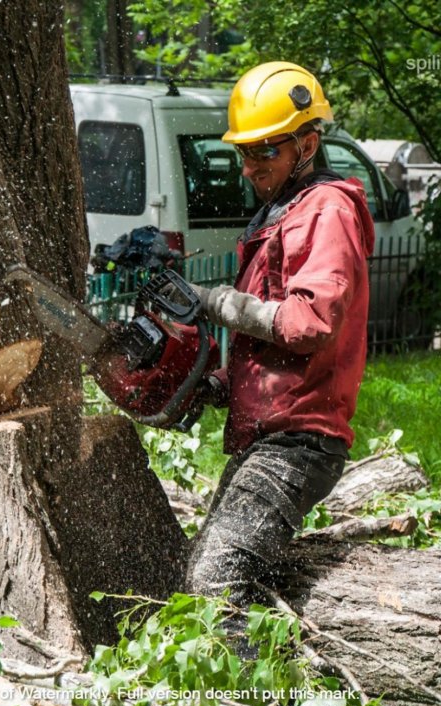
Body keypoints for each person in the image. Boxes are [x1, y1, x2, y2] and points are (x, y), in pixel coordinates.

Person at [186, 62, 375, 648]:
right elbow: (268, 346)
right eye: (244, 153)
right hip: (270, 432)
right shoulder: (286, 211)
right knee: (200, 563)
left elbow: (309, 321)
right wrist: (214, 384)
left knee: (214, 583)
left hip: (301, 440)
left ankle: (247, 704)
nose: (249, 168)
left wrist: (219, 303)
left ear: (307, 144)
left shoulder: (326, 211)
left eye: (263, 153)